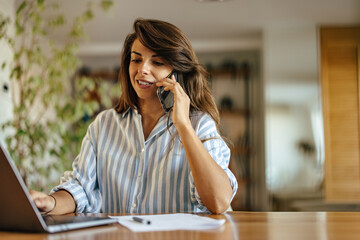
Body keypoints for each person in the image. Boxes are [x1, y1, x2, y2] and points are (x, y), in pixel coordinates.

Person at [30, 18, 238, 214]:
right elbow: (80, 187)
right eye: (136, 60)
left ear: (176, 73)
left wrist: (183, 125)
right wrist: (51, 202)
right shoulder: (104, 125)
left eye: (157, 63)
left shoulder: (200, 125)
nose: (142, 70)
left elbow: (219, 202)